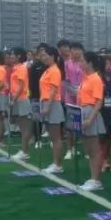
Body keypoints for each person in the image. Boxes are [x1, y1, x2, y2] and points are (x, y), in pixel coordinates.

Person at [77, 51, 107, 192]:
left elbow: (98, 102)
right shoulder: (85, 78)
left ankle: (96, 180)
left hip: (91, 113)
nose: (80, 63)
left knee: (94, 150)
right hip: (83, 111)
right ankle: (93, 178)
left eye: (82, 61)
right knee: (89, 150)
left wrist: (90, 119)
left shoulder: (95, 78)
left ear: (89, 63)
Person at [36, 44, 66, 173]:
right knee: (52, 137)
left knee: (56, 137)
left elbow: (53, 90)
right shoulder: (48, 70)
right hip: (46, 103)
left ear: (52, 56)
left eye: (45, 55)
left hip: (52, 104)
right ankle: (55, 163)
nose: (42, 58)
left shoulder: (54, 70)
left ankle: (57, 165)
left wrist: (47, 107)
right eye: (42, 56)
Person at [9, 49, 34, 161]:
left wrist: (14, 99)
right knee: (21, 127)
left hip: (22, 99)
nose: (11, 57)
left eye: (12, 55)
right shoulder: (16, 68)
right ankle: (24, 150)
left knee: (24, 128)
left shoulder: (21, 68)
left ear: (18, 56)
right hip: (17, 99)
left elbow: (21, 86)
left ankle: (25, 151)